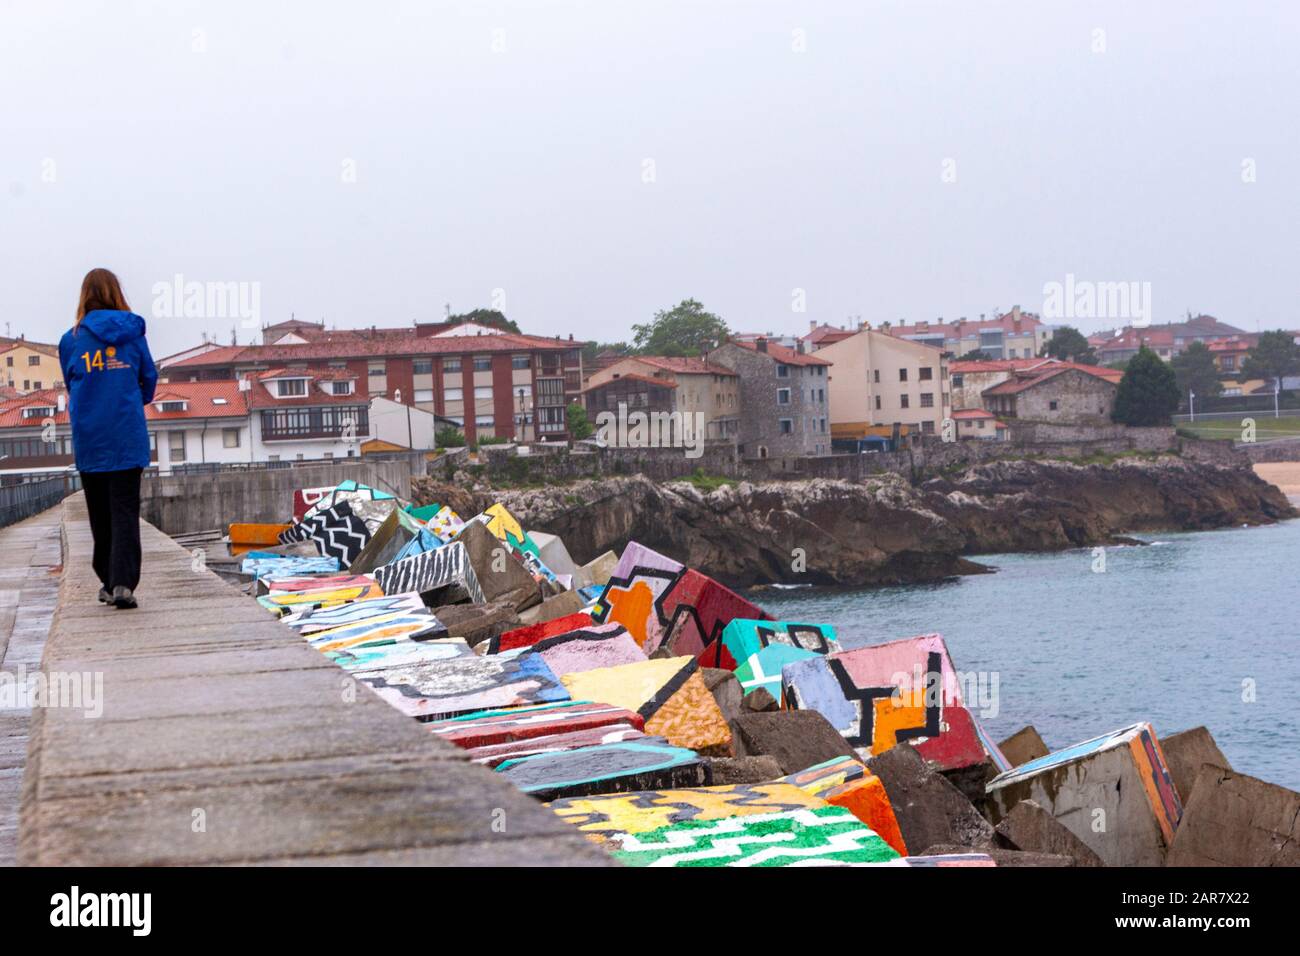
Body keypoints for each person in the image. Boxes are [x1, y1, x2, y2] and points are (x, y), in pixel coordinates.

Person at [58, 269, 158, 609]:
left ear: (85, 296)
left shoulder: (71, 341)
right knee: (125, 511)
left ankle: (107, 580)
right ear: (116, 293)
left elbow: (72, 385)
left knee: (100, 513)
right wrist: (126, 399)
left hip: (91, 438)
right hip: (127, 436)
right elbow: (149, 379)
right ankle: (122, 584)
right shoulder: (134, 335)